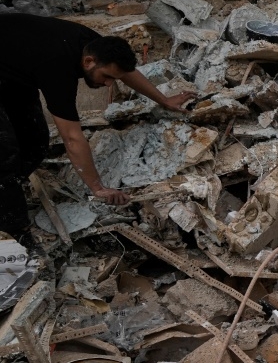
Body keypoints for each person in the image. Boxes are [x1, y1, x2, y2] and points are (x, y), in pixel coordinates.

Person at [0, 13, 194, 238]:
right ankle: (12, 229)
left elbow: (126, 73)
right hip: (15, 63)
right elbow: (72, 138)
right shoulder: (58, 70)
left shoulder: (96, 46)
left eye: (113, 78)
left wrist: (163, 99)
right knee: (4, 153)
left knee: (35, 143)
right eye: (106, 77)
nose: (109, 84)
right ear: (88, 62)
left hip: (14, 67)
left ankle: (9, 189)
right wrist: (97, 188)